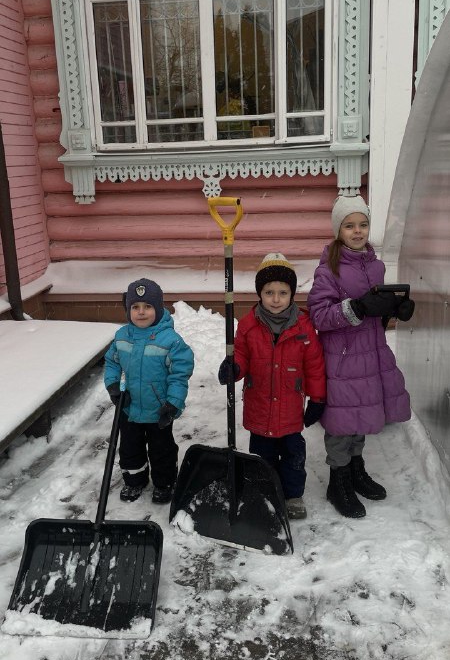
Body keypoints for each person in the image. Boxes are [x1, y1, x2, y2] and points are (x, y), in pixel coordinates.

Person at [307, 195, 415, 519]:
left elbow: (376, 310)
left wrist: (396, 309)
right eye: (349, 225)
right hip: (342, 360)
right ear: (338, 230)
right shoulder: (329, 269)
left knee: (361, 417)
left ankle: (356, 470)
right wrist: (355, 307)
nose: (357, 231)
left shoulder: (376, 265)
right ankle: (337, 481)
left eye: (363, 224)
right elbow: (318, 315)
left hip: (370, 355)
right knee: (342, 423)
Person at [218, 253, 326, 520]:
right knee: (262, 456)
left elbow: (314, 365)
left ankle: (292, 496)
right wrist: (234, 368)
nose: (275, 299)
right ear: (260, 293)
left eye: (282, 292)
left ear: (292, 294)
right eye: (269, 292)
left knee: (293, 457)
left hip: (290, 408)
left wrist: (318, 399)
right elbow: (241, 354)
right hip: (259, 406)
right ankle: (266, 491)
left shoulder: (304, 327)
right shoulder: (248, 325)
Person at [104, 278, 194, 504]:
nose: (141, 312)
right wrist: (113, 385)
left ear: (159, 308)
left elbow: (179, 373)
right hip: (129, 407)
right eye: (135, 307)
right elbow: (112, 362)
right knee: (129, 448)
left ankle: (164, 483)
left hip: (159, 409)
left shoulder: (170, 340)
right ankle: (135, 480)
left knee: (161, 449)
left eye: (147, 307)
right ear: (128, 310)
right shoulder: (122, 336)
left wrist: (173, 403)